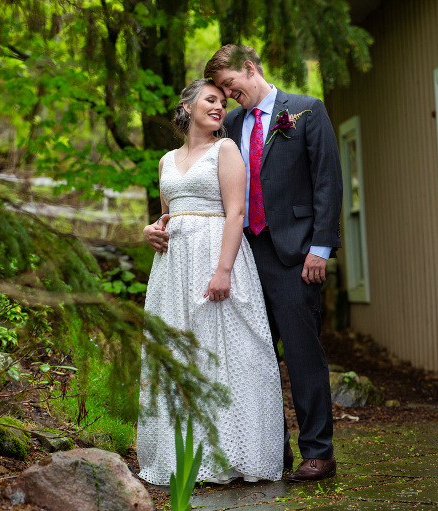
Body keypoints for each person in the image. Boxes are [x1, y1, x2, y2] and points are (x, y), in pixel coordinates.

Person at [158, 44, 344, 482]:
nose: (226, 97)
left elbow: (327, 182)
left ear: (250, 68)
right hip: (241, 255)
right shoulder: (232, 124)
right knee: (253, 357)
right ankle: (268, 453)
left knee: (301, 354)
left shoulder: (306, 111)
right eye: (218, 92)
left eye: (229, 86)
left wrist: (321, 247)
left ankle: (318, 452)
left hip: (294, 254)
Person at [136, 78, 283, 486]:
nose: (219, 107)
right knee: (180, 353)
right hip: (173, 268)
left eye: (222, 101)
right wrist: (150, 229)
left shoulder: (226, 150)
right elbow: (167, 215)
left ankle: (232, 455)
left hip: (218, 257)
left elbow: (236, 213)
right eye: (210, 100)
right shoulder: (166, 161)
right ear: (187, 107)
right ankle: (179, 455)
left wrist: (223, 270)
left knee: (225, 353)